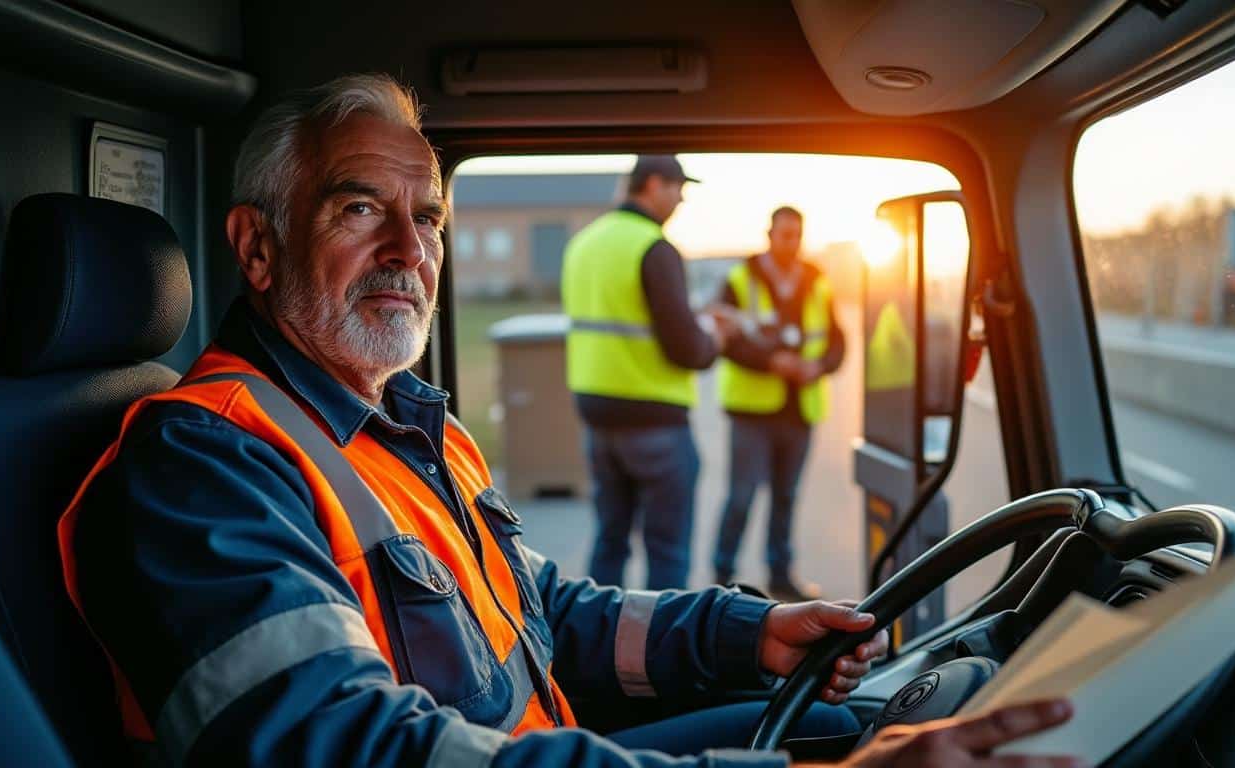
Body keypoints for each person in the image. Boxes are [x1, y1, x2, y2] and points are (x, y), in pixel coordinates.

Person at [57, 74, 1082, 768]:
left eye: (431, 221)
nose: (410, 250)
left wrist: (745, 633)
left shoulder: (408, 429)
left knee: (856, 717)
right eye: (360, 209)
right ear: (258, 247)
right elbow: (344, 745)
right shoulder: (203, 462)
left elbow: (539, 610)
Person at [562, 154, 734, 590]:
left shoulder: (584, 243)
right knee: (668, 552)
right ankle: (662, 653)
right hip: (655, 421)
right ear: (654, 185)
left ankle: (597, 647)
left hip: (598, 418)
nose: (681, 201)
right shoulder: (654, 247)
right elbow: (687, 349)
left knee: (610, 541)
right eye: (679, 189)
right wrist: (716, 337)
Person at [712, 207, 844, 601]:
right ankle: (723, 579)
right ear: (770, 234)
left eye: (797, 235)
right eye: (785, 235)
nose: (792, 243)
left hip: (799, 410)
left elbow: (838, 340)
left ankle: (781, 577)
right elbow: (727, 341)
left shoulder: (817, 281)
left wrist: (818, 366)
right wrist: (772, 362)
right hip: (752, 411)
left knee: (786, 498)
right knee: (741, 497)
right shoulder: (740, 280)